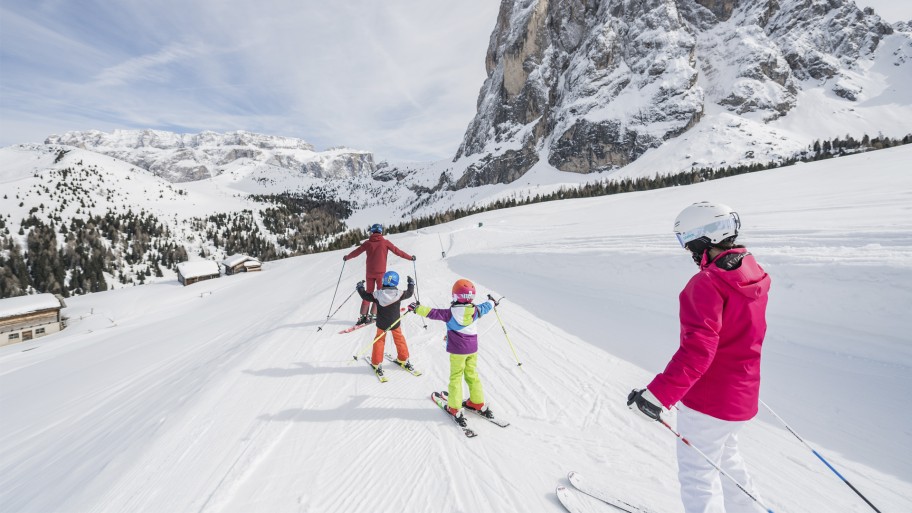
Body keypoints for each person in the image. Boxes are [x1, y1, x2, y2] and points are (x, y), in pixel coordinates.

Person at [627, 201, 771, 513]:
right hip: (742, 397)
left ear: (704, 238)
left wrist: (657, 396)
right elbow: (739, 335)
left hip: (710, 402)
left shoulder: (707, 284)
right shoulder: (753, 273)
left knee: (698, 474)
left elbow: (698, 350)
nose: (688, 251)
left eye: (688, 241)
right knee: (727, 459)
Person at [408, 279, 496, 427]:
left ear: (455, 295)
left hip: (458, 351)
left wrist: (416, 308)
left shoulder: (450, 313)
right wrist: (492, 302)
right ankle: (477, 402)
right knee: (472, 374)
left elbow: (432, 312)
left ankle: (454, 407)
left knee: (456, 377)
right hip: (472, 349)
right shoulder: (476, 310)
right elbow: (487, 306)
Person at [344, 223, 415, 325]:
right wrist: (410, 257)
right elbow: (398, 252)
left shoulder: (367, 243)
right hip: (381, 274)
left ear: (372, 232)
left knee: (368, 294)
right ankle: (373, 316)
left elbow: (356, 252)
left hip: (369, 273)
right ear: (381, 232)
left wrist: (347, 257)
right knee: (379, 294)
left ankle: (362, 317)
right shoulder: (385, 242)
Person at [356, 270, 415, 376]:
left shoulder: (378, 294)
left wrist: (360, 288)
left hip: (382, 324)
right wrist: (411, 283)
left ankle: (377, 363)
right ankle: (403, 359)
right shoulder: (400, 293)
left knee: (379, 341)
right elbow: (410, 293)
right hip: (395, 322)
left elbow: (365, 296)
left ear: (383, 281)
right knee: (399, 339)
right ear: (396, 283)